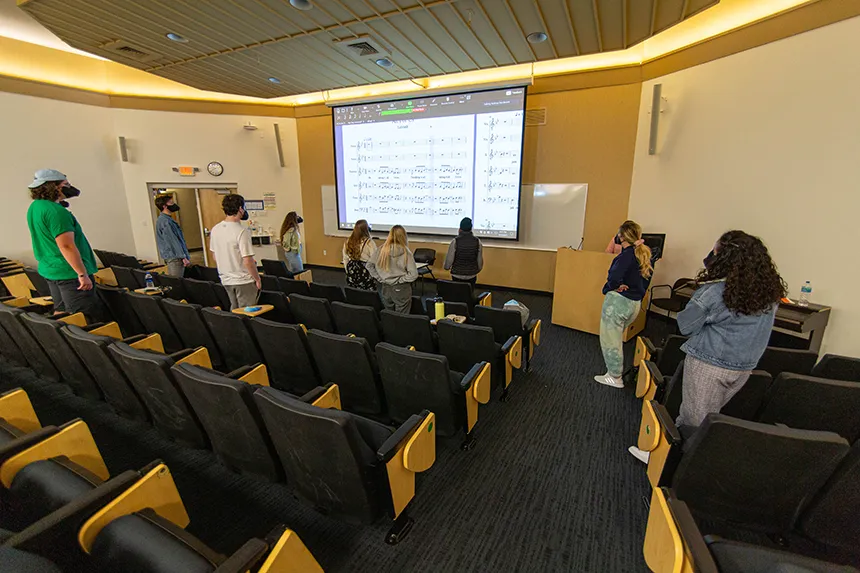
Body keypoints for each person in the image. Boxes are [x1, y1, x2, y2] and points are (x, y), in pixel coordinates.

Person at [628, 231, 785, 463]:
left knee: (694, 421)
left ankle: (674, 466)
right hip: (744, 367)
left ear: (724, 258)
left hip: (709, 366)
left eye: (715, 251)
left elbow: (685, 325)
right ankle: (664, 454)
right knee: (709, 416)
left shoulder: (715, 292)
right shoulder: (769, 292)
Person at [26, 169, 107, 322]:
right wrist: (82, 274)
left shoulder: (35, 207)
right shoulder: (57, 212)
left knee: (61, 312)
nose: (69, 187)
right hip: (70, 273)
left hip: (51, 269)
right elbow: (66, 246)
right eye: (65, 184)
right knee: (84, 318)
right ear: (54, 187)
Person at [594, 220, 652, 389]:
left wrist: (611, 288)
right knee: (616, 338)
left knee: (610, 341)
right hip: (633, 304)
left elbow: (613, 278)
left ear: (621, 236)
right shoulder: (644, 254)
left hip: (618, 304)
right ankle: (614, 373)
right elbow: (645, 282)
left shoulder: (625, 256)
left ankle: (614, 377)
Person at [208, 194, 261, 310]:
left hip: (226, 280)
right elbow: (248, 261)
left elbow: (215, 256)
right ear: (241, 209)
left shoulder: (215, 229)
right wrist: (257, 278)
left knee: (234, 312)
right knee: (247, 314)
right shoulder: (242, 231)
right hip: (243, 281)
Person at [367, 225, 418, 314]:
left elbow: (369, 265)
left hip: (386, 286)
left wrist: (380, 278)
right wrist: (400, 280)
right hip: (401, 288)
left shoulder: (381, 249)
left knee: (389, 314)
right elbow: (413, 274)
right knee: (402, 315)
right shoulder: (406, 252)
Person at [153, 194, 190, 277]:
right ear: (164, 206)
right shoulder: (165, 221)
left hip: (175, 256)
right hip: (175, 258)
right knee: (176, 281)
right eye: (171, 203)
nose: (173, 204)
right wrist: (183, 256)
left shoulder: (167, 219)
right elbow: (172, 241)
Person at [443, 217, 484, 285]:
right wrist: (476, 270)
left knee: (457, 293)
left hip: (457, 275)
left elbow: (449, 260)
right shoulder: (477, 241)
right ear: (471, 229)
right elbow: (479, 261)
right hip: (472, 275)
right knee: (468, 293)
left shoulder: (455, 241)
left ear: (460, 229)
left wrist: (446, 267)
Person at [342, 219, 377, 290]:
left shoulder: (348, 241)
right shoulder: (369, 243)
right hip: (365, 273)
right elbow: (375, 259)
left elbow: (345, 258)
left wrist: (348, 271)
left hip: (352, 272)